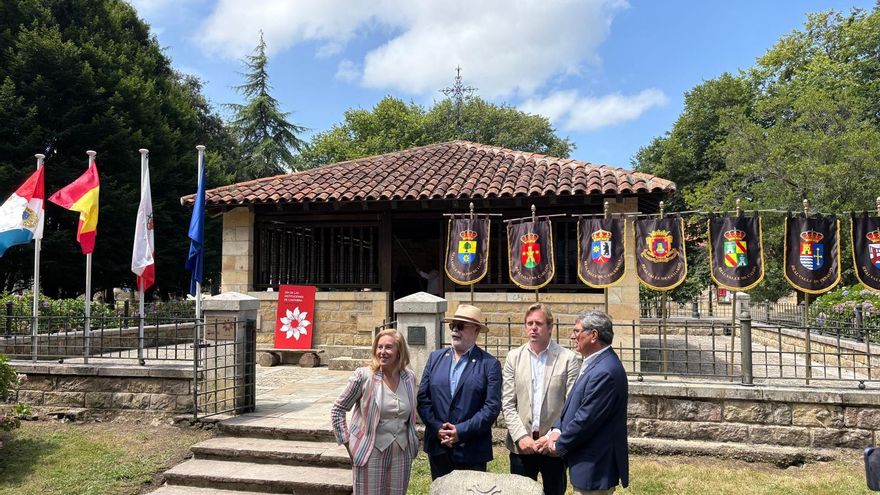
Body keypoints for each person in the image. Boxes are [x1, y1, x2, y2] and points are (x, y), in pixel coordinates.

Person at [543, 310, 629, 494]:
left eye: (577, 331)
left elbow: (586, 419)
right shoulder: (594, 363)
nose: (572, 336)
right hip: (587, 463)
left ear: (593, 335)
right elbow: (572, 404)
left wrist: (558, 445)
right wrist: (557, 429)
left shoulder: (605, 371)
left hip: (595, 467)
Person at [501, 303, 580, 495]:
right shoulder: (514, 357)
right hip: (522, 446)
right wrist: (521, 436)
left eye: (538, 323)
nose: (533, 328)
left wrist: (551, 437)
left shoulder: (568, 358)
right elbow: (508, 403)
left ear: (550, 327)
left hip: (552, 446)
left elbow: (572, 405)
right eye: (529, 323)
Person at [417, 304, 502, 480]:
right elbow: (423, 399)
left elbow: (491, 407)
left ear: (476, 331)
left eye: (461, 326)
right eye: (453, 325)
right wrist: (437, 428)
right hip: (439, 448)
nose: (455, 330)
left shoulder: (489, 364)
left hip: (472, 450)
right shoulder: (435, 358)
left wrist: (460, 431)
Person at [330, 329, 419, 495]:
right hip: (370, 453)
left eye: (388, 348)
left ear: (400, 351)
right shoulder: (364, 376)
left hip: (401, 452)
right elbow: (338, 410)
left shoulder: (409, 378)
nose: (382, 352)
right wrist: (350, 446)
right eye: (379, 347)